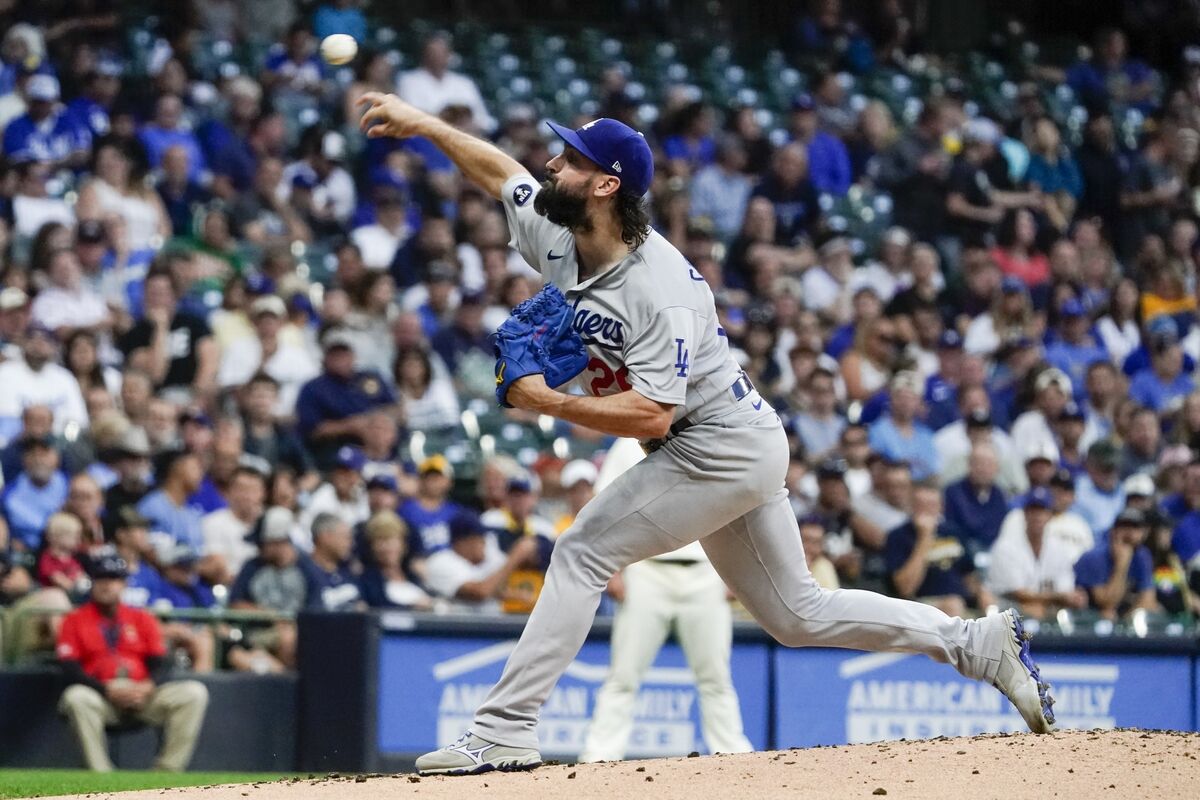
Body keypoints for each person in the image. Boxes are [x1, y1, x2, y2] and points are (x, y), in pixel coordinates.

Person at [356, 93, 1055, 775]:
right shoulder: (557, 226)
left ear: (606, 185)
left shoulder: (658, 286)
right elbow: (497, 172)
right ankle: (976, 644)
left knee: (579, 552)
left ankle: (502, 731)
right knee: (797, 614)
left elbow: (653, 414)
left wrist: (547, 403)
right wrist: (422, 124)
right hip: (727, 440)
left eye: (568, 158)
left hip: (713, 440)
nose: (550, 164)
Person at [579, 437, 752, 763]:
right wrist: (611, 569)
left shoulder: (709, 432)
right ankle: (599, 756)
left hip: (707, 570)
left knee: (715, 677)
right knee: (624, 675)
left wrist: (736, 570)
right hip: (645, 569)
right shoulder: (629, 442)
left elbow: (741, 503)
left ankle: (732, 755)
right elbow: (601, 505)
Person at [56, 551, 209, 772]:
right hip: (101, 696)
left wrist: (147, 687)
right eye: (101, 578)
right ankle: (101, 775)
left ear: (124, 584)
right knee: (75, 697)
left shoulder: (141, 618)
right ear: (92, 582)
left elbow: (162, 662)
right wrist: (105, 689)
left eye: (114, 579)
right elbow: (69, 668)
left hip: (141, 695)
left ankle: (166, 774)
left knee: (194, 692)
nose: (107, 585)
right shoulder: (74, 619)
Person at [985, 488, 1084, 620]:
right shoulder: (1006, 546)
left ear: (1050, 515)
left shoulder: (1057, 547)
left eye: (1042, 511)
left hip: (1048, 608)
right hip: (1006, 608)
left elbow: (1066, 588)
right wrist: (1060, 596)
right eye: (1033, 511)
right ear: (1025, 514)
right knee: (1032, 610)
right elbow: (1019, 593)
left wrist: (1071, 597)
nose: (1037, 516)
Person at [423, 511, 540, 614]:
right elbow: (480, 593)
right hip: (458, 632)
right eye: (480, 539)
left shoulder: (481, 563)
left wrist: (523, 597)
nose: (484, 543)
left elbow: (496, 591)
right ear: (462, 543)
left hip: (490, 630)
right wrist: (516, 555)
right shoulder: (442, 562)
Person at [1074, 508, 1160, 621]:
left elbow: (1148, 598)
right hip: (1086, 613)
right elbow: (1106, 602)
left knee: (1155, 610)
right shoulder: (1094, 557)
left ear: (1143, 533)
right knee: (1108, 614)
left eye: (1135, 527)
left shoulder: (1142, 555)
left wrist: (1126, 622)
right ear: (1113, 531)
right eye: (1123, 526)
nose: (1129, 532)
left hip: (1122, 614)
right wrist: (1121, 565)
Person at [358, 510, 431, 609]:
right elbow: (378, 609)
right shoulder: (368, 581)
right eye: (381, 540)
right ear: (371, 546)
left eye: (393, 539)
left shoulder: (413, 577)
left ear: (403, 545)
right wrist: (412, 608)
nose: (388, 547)